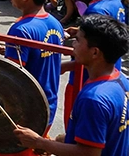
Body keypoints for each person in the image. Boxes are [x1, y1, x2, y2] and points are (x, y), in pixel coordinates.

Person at [14, 15, 129, 156]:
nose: (73, 44)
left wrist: (39, 142)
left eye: (78, 40)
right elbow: (108, 136)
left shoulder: (94, 99)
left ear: (95, 52)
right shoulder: (122, 81)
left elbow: (89, 153)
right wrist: (57, 143)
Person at [0, 0, 64, 156]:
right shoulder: (54, 23)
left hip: (26, 112)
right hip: (48, 105)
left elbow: (12, 79)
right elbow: (40, 58)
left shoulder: (21, 30)